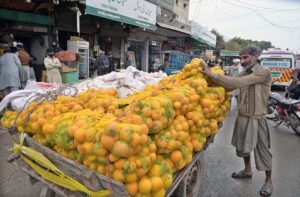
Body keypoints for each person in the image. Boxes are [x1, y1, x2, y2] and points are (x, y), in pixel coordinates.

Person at [201, 46, 273, 197]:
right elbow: (229, 85)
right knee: (243, 147)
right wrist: (209, 82)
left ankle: (268, 181)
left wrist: (213, 74)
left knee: (263, 150)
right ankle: (247, 170)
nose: (242, 61)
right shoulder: (243, 73)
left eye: (246, 58)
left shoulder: (263, 72)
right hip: (243, 115)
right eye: (241, 58)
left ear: (256, 56)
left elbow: (238, 83)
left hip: (257, 117)